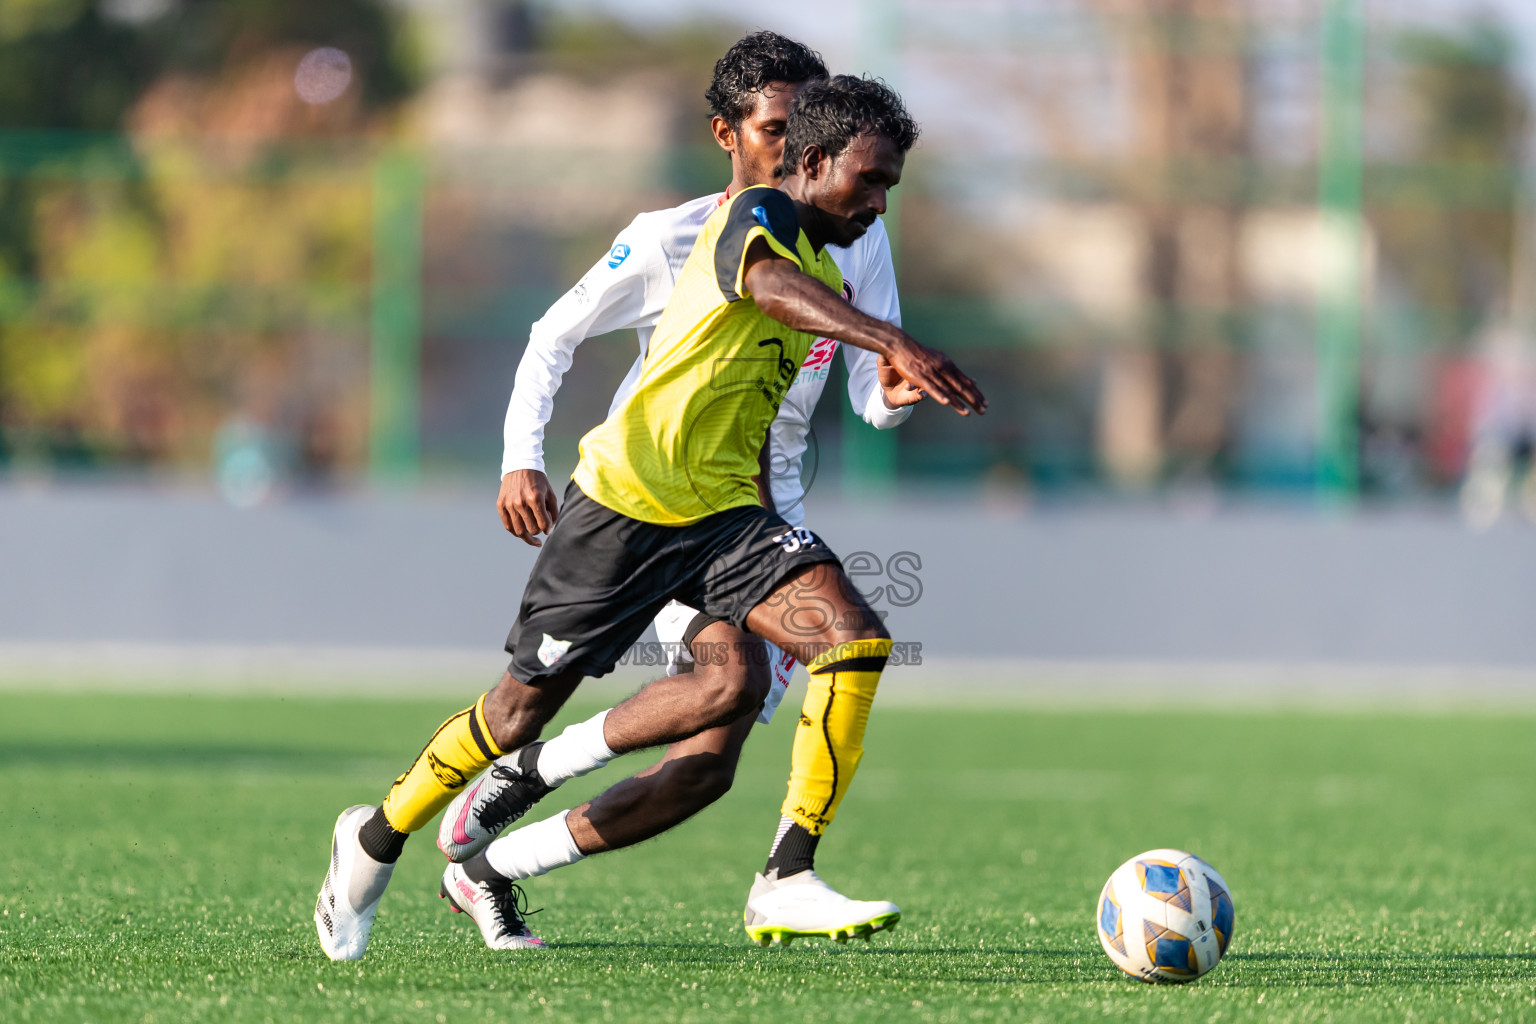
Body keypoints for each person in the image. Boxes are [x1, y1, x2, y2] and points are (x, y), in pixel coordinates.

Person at [315, 71, 985, 959]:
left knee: (849, 639)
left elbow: (808, 377)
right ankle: (374, 836)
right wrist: (891, 337)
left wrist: (888, 384)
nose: (880, 204)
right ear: (813, 161)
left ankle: (786, 876)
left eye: (892, 187)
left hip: (725, 518)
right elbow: (764, 286)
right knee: (515, 715)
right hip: (625, 505)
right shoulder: (756, 218)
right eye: (871, 181)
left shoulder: (835, 263)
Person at [436, 31, 922, 949]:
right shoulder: (673, 237)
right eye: (777, 127)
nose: (795, 148)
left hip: (766, 520)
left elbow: (869, 390)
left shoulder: (860, 232)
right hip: (663, 505)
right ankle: (537, 776)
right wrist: (517, 458)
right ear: (727, 135)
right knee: (725, 680)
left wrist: (893, 395)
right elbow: (552, 336)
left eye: (808, 128)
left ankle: (491, 867)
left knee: (705, 770)